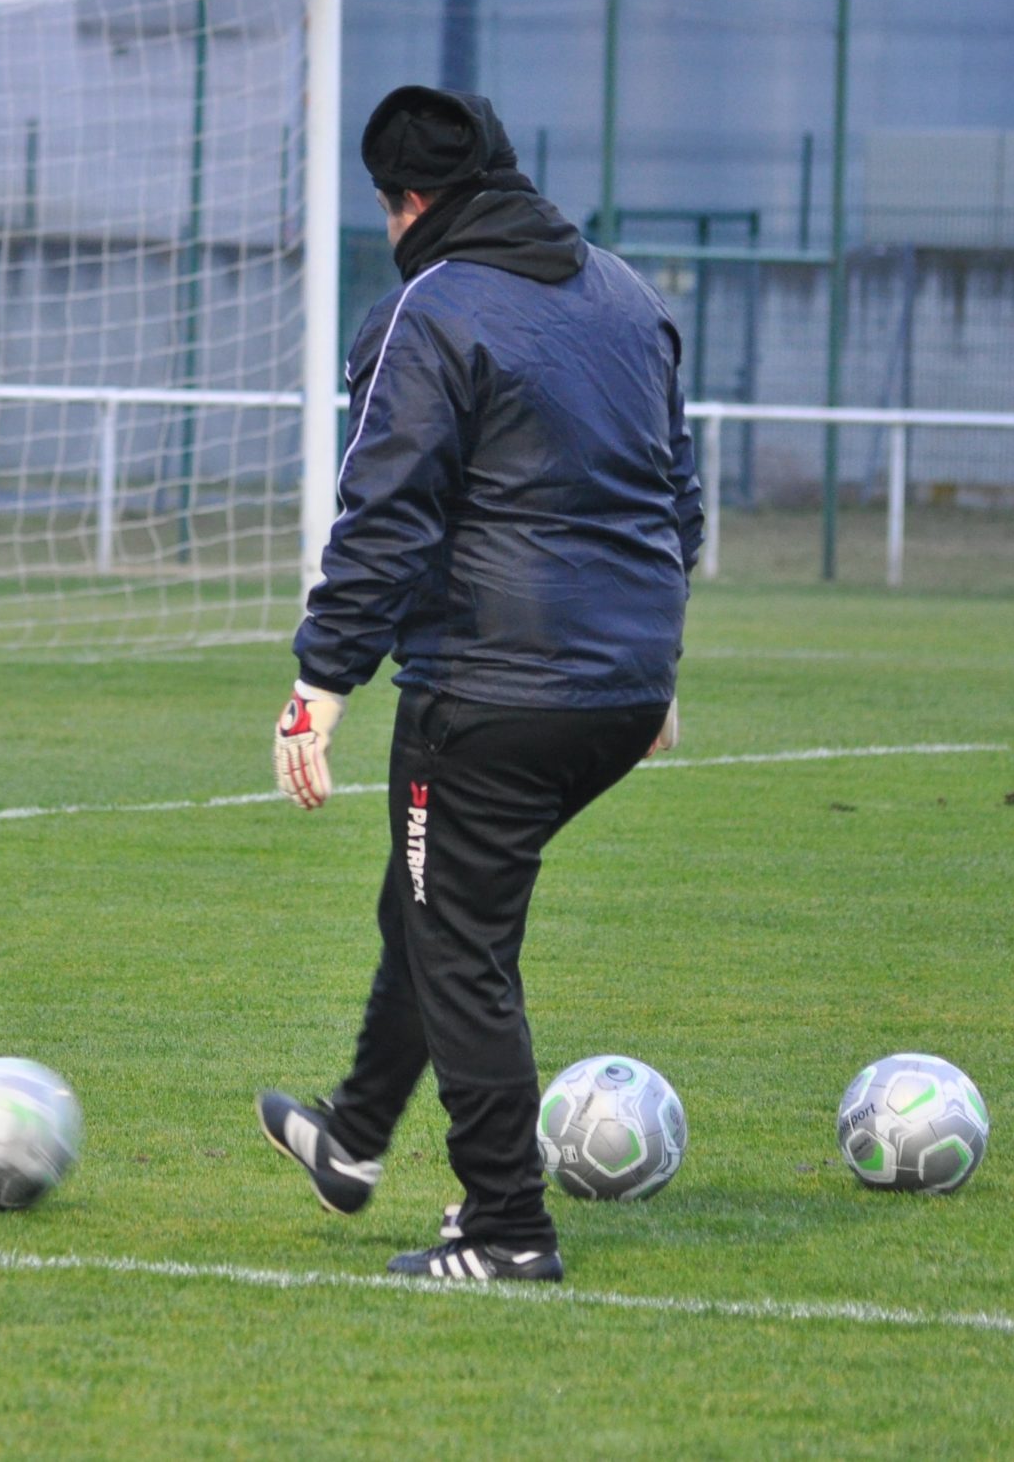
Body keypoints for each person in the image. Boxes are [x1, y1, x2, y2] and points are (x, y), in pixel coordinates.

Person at [255, 85, 702, 1281]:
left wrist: (321, 685)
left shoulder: (430, 308)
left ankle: (505, 1227)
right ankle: (351, 1137)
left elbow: (383, 516)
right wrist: (655, 670)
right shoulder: (625, 292)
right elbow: (674, 493)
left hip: (492, 688)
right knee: (432, 899)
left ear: (406, 205)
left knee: (458, 937)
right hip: (615, 682)